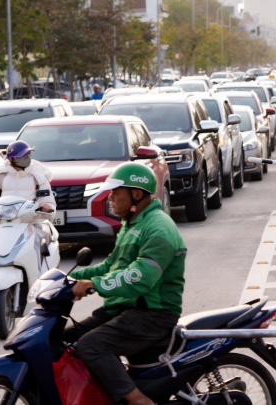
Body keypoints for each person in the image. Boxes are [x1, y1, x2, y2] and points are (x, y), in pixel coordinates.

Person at [65, 163, 186, 405]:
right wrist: (68, 279)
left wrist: (95, 284)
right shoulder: (134, 223)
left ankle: (138, 400)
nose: (109, 198)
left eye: (115, 193)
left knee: (91, 345)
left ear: (136, 194)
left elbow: (140, 276)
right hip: (127, 308)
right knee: (64, 338)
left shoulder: (158, 227)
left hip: (152, 313)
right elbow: (111, 265)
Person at [0, 141, 56, 335]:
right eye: (23, 156)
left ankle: (47, 310)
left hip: (32, 224)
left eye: (29, 154)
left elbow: (48, 201)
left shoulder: (38, 174)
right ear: (12, 160)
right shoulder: (1, 176)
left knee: (40, 263)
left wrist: (46, 207)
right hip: (3, 226)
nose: (27, 158)